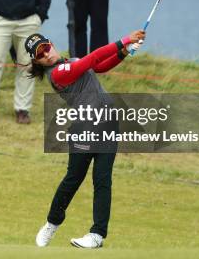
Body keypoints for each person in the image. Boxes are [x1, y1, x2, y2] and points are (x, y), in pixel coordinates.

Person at [29, 30, 145, 249]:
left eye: (46, 47)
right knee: (73, 179)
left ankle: (97, 235)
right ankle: (52, 224)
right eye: (40, 54)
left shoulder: (70, 61)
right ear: (37, 61)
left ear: (51, 44)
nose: (46, 54)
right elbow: (92, 59)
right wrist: (124, 40)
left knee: (103, 181)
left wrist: (123, 52)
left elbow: (99, 67)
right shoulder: (57, 74)